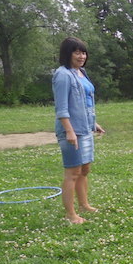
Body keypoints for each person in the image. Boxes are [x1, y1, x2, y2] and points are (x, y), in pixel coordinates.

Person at [52, 37, 105, 224]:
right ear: (68, 54)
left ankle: (84, 205)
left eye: (83, 53)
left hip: (85, 128)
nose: (82, 56)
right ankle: (71, 214)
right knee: (73, 172)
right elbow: (62, 107)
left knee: (84, 170)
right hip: (72, 131)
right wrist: (69, 131)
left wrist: (94, 123)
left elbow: (86, 103)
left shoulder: (81, 72)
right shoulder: (62, 75)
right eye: (77, 52)